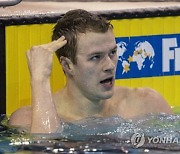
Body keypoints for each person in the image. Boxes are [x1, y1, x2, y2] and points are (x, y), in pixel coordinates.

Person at [8, 9, 173, 133]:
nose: (109, 65)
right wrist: (39, 80)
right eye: (96, 57)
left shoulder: (147, 104)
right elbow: (42, 149)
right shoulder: (27, 120)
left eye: (113, 53)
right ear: (67, 65)